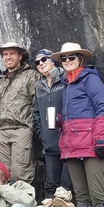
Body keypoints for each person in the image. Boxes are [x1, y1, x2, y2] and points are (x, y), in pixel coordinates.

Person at [51, 42, 104, 207]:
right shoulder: (67, 84)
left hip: (92, 145)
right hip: (71, 145)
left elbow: (102, 108)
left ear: (81, 59)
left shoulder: (91, 79)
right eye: (64, 58)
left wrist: (100, 140)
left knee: (98, 195)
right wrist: (60, 120)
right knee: (81, 196)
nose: (67, 61)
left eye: (72, 57)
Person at [0, 42, 39, 183]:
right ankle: (7, 204)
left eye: (12, 53)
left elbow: (37, 104)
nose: (8, 57)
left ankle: (22, 204)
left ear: (20, 56)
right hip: (1, 132)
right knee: (2, 174)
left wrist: (32, 129)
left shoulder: (31, 76)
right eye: (5, 54)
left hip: (22, 129)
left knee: (20, 172)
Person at [32, 49, 72, 198]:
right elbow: (35, 114)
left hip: (68, 142)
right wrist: (43, 135)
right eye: (37, 62)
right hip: (49, 144)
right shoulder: (38, 86)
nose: (40, 64)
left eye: (44, 60)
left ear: (52, 60)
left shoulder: (66, 78)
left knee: (67, 186)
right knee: (51, 186)